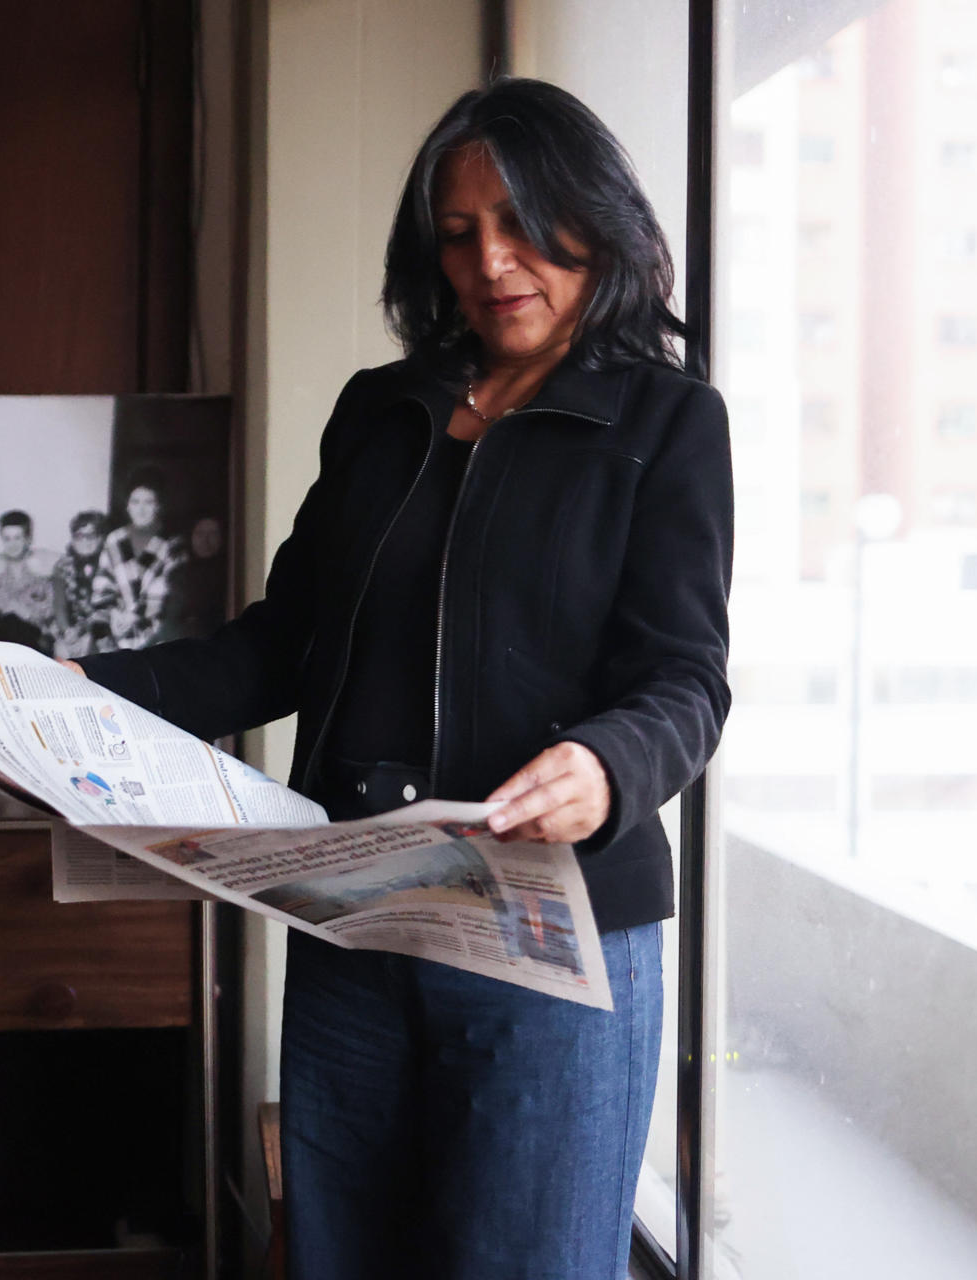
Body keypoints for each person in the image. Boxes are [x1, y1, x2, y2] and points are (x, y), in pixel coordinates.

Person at [76, 79, 732, 1280]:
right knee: (342, 1254)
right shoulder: (384, 412)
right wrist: (73, 692)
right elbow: (282, 642)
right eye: (458, 231)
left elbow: (686, 677)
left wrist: (608, 764)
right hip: (356, 910)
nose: (493, 259)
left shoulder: (670, 421)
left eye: (525, 220)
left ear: (597, 216)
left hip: (551, 925)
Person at [94, 468, 188, 649]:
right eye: (135, 502)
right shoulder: (115, 540)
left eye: (148, 502)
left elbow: (169, 593)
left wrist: (134, 616)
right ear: (127, 506)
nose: (141, 509)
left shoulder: (173, 543)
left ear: (158, 505)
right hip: (117, 629)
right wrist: (114, 615)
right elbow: (103, 585)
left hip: (159, 631)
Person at [0, 508, 56, 648]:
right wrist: (7, 607)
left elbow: (49, 607)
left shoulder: (41, 569)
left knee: (15, 625)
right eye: (7, 539)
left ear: (28, 538)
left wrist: (25, 613)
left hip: (31, 632)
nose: (12, 544)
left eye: (17, 538)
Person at [50, 509, 112, 658]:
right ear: (72, 539)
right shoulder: (63, 565)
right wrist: (67, 631)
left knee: (97, 652)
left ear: (101, 538)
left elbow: (109, 606)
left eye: (91, 536)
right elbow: (59, 604)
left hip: (103, 627)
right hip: (71, 625)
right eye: (79, 536)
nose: (85, 541)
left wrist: (86, 633)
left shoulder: (110, 563)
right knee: (62, 651)